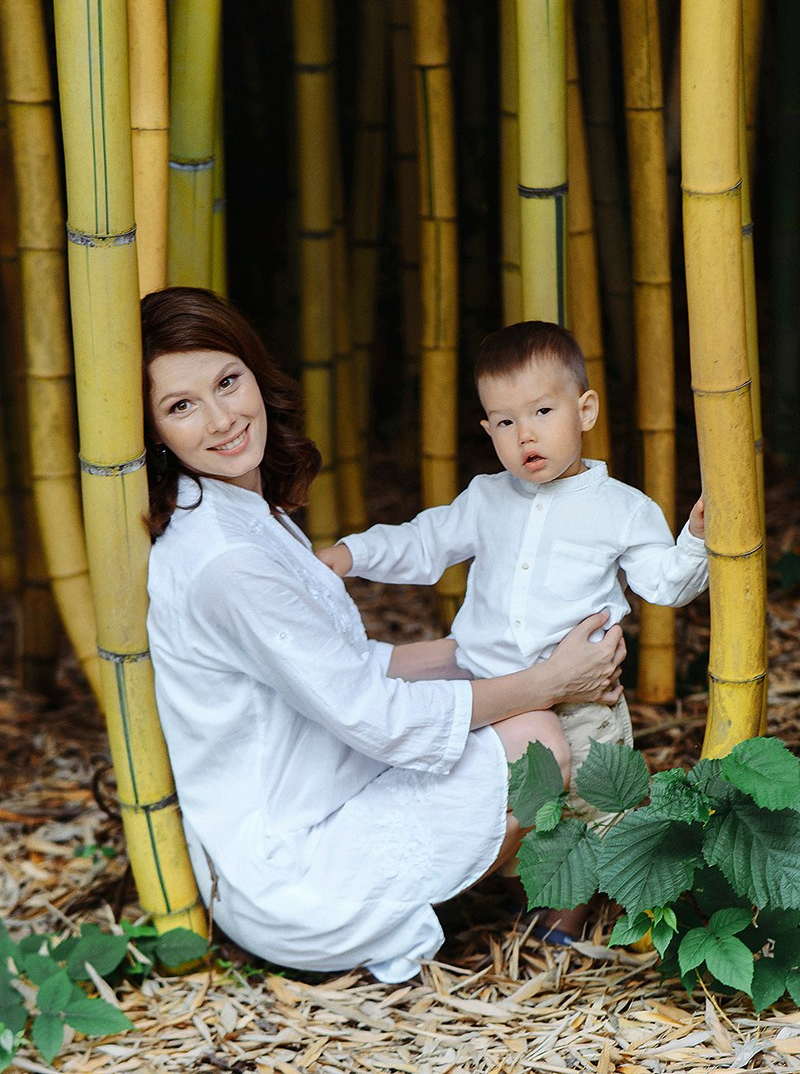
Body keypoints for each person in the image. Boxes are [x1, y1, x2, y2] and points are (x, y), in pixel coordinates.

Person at [142, 289, 626, 983]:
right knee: (535, 740)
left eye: (227, 382)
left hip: (314, 794)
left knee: (504, 684)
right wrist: (549, 680)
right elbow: (376, 714)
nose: (223, 419)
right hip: (295, 873)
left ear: (254, 373)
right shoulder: (226, 560)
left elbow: (347, 668)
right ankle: (553, 908)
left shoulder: (237, 507)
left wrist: (535, 648)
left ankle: (534, 865)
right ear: (155, 431)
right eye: (182, 406)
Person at [318, 322, 708, 936]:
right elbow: (425, 542)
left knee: (586, 805)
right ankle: (505, 885)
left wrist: (696, 541)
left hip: (580, 698)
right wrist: (350, 554)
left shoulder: (622, 507)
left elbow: (665, 584)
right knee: (510, 803)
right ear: (486, 429)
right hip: (489, 693)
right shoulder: (486, 497)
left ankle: (569, 909)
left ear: (584, 410)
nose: (524, 434)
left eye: (542, 412)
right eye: (503, 421)